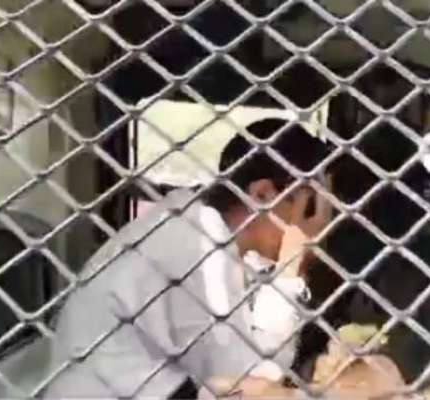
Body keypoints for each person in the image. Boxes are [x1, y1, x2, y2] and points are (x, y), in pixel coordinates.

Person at [43, 119, 334, 398]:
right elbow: (249, 385)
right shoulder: (195, 248)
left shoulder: (195, 226)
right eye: (311, 207)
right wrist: (290, 270)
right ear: (262, 194)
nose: (320, 225)